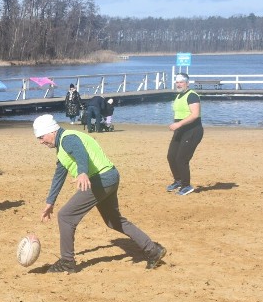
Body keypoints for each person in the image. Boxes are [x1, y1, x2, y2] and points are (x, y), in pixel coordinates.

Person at [32, 114, 166, 273]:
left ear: (52, 131)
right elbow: (59, 175)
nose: (41, 141)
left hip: (100, 179)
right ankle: (153, 250)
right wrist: (50, 201)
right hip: (110, 176)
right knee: (113, 221)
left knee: (66, 216)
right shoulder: (61, 147)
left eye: (41, 137)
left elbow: (81, 152)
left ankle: (67, 262)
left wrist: (82, 172)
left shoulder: (68, 139)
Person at [166, 72, 203, 196]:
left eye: (181, 82)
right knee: (171, 156)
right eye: (177, 82)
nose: (179, 84)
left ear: (187, 83)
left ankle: (186, 185)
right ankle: (178, 180)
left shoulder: (192, 95)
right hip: (180, 130)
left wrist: (178, 124)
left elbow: (195, 115)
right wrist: (176, 125)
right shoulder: (179, 96)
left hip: (192, 130)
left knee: (181, 158)